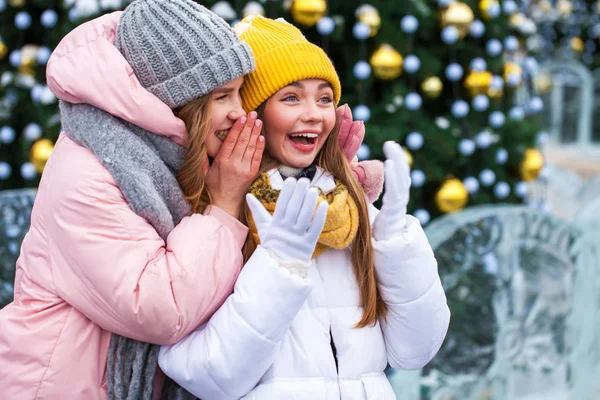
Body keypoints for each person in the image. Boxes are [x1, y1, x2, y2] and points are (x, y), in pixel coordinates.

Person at [158, 15, 451, 399]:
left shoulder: (345, 207)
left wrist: (396, 243)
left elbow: (414, 351)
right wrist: (279, 266)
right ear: (253, 114)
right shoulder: (214, 214)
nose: (314, 113)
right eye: (291, 97)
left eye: (325, 98)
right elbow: (209, 376)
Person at [0, 1, 260, 398]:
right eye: (222, 97)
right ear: (174, 98)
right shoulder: (88, 173)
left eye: (239, 94)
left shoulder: (173, 155)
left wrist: (331, 171)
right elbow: (159, 306)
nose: (238, 113)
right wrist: (223, 206)